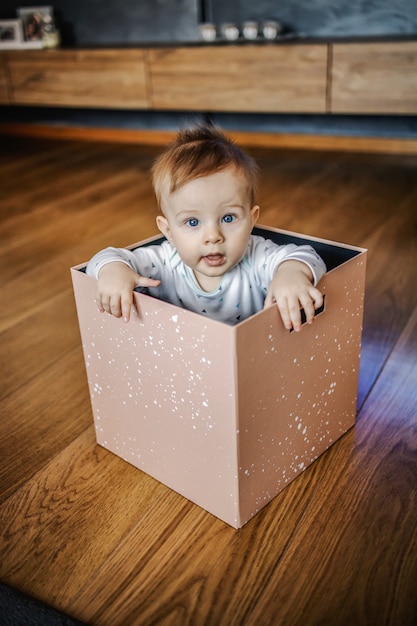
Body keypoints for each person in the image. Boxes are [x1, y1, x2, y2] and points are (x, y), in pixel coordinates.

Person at [86, 124, 326, 330]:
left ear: (252, 219)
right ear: (168, 231)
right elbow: (105, 258)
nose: (213, 236)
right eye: (192, 222)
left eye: (229, 218)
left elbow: (307, 255)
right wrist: (114, 272)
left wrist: (291, 274)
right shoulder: (164, 262)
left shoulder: (257, 258)